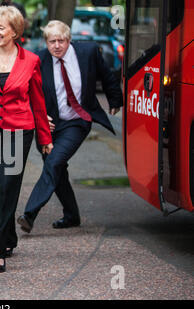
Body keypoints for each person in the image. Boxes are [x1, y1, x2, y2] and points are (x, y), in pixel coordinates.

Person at [17, 20, 123, 233]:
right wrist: (37, 115)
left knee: (54, 162)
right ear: (45, 42)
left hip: (77, 120)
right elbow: (25, 90)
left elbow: (107, 75)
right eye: (51, 41)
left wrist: (114, 100)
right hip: (49, 125)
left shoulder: (88, 52)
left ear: (69, 39)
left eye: (61, 41)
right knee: (57, 169)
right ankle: (72, 215)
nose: (56, 46)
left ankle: (30, 214)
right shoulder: (38, 59)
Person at [0, 6, 53, 273]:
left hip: (19, 131)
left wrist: (45, 137)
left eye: (1, 27)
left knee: (7, 188)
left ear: (15, 31)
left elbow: (38, 103)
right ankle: (8, 237)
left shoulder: (30, 61)